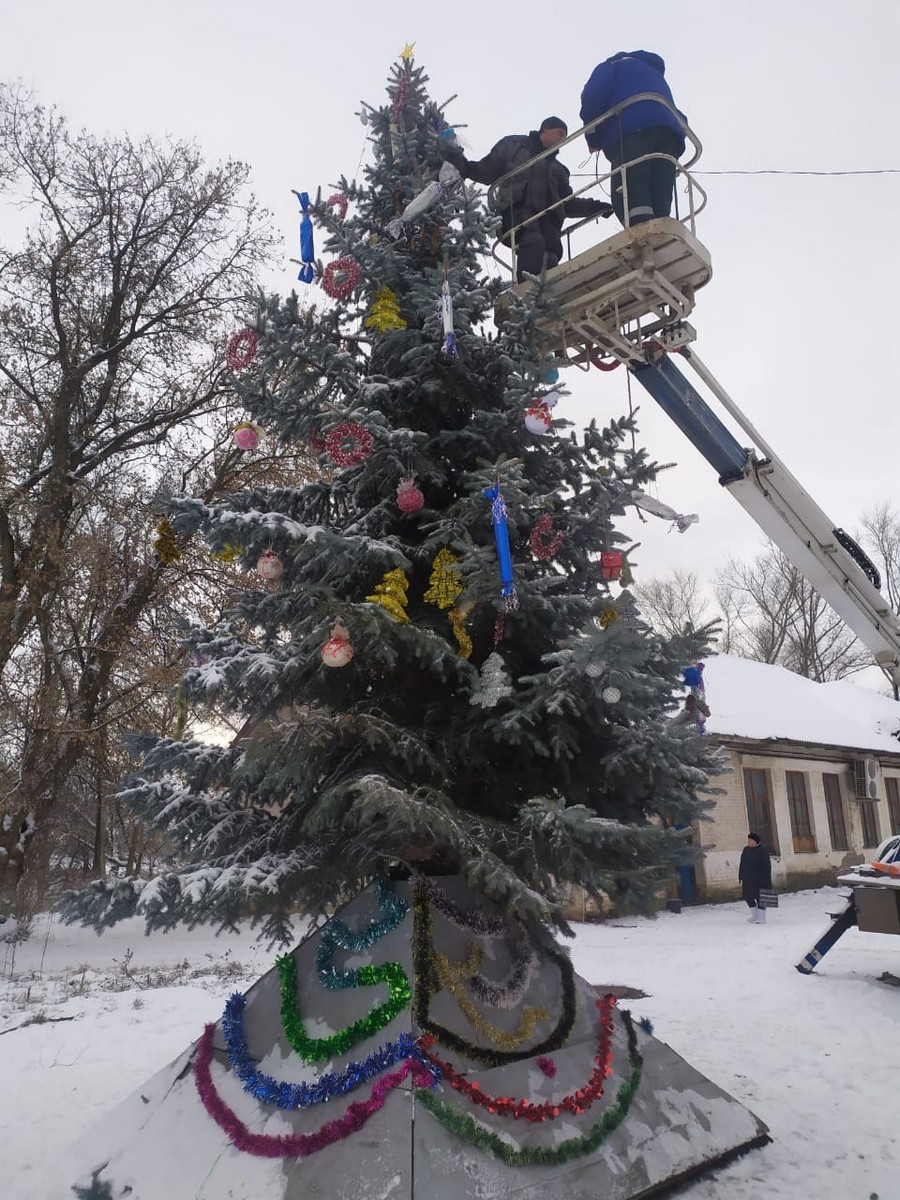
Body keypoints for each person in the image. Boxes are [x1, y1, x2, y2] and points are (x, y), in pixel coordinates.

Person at [441, 117, 613, 281]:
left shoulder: (558, 170)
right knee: (533, 242)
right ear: (545, 129)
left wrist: (595, 208)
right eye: (560, 133)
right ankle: (526, 291)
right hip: (516, 216)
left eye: (565, 137)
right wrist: (463, 165)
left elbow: (567, 203)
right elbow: (487, 170)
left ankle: (547, 295)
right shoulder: (514, 146)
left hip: (548, 225)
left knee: (551, 253)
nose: (563, 139)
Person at [579, 51, 686, 227]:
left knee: (630, 187)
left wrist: (593, 139)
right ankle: (661, 224)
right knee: (660, 183)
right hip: (671, 132)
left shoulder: (611, 66)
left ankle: (640, 228)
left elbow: (593, 98)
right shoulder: (651, 72)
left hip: (632, 128)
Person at [739, 832, 772, 923]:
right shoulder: (746, 850)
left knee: (760, 897)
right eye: (748, 840)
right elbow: (742, 863)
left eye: (750, 840)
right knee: (747, 896)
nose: (748, 842)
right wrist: (741, 875)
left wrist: (766, 878)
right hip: (748, 879)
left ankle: (762, 918)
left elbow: (766, 866)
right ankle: (754, 915)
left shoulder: (762, 851)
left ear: (755, 841)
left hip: (760, 879)